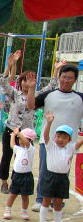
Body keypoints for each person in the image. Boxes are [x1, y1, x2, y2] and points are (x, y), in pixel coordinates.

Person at [27, 63, 83, 211]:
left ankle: (57, 201)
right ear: (59, 77)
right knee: (45, 171)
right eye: (64, 77)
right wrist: (31, 88)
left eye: (70, 78)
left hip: (69, 144)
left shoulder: (80, 98)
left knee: (63, 172)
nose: (66, 80)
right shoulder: (49, 95)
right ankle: (40, 199)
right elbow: (31, 106)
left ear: (75, 80)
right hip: (49, 141)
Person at [0, 51, 42, 194]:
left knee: (22, 157)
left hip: (26, 133)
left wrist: (57, 70)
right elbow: (2, 82)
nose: (25, 83)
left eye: (28, 80)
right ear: (20, 82)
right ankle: (4, 182)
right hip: (11, 129)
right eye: (23, 80)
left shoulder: (36, 96)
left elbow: (50, 88)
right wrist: (9, 66)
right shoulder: (15, 94)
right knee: (7, 156)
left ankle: (16, 182)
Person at [37, 114, 83, 222]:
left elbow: (79, 144)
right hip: (50, 177)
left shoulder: (70, 148)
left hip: (62, 178)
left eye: (64, 137)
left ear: (69, 140)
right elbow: (45, 136)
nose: (60, 139)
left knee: (58, 202)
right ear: (55, 137)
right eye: (58, 136)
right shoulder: (51, 146)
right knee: (46, 201)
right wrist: (49, 122)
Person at [3, 127, 37, 221]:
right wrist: (13, 135)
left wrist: (19, 134)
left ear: (30, 140)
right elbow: (12, 145)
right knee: (13, 194)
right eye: (19, 139)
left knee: (25, 196)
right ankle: (7, 210)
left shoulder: (30, 149)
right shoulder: (18, 149)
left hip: (26, 176)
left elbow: (26, 143)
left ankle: (24, 211)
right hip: (17, 175)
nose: (20, 140)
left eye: (22, 138)